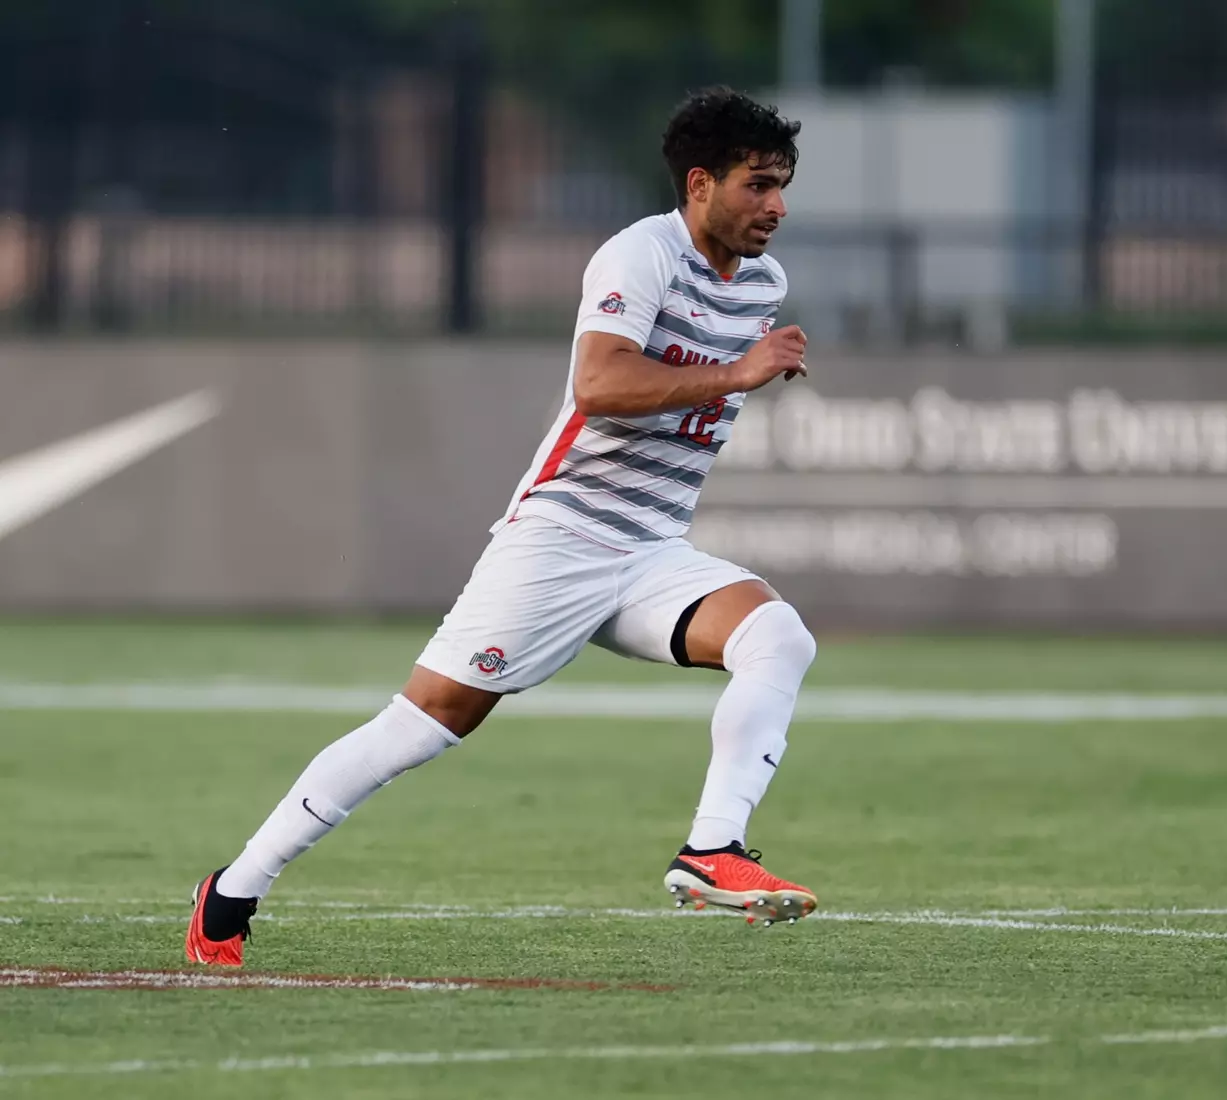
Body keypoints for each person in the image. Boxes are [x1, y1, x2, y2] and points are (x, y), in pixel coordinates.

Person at [186, 88, 817, 966]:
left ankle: (712, 850)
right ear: (701, 183)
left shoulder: (763, 282)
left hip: (650, 549)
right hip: (561, 536)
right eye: (759, 185)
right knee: (424, 723)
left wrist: (735, 372)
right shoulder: (640, 255)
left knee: (778, 638)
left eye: (784, 185)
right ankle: (234, 887)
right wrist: (738, 374)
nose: (777, 206)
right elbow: (599, 387)